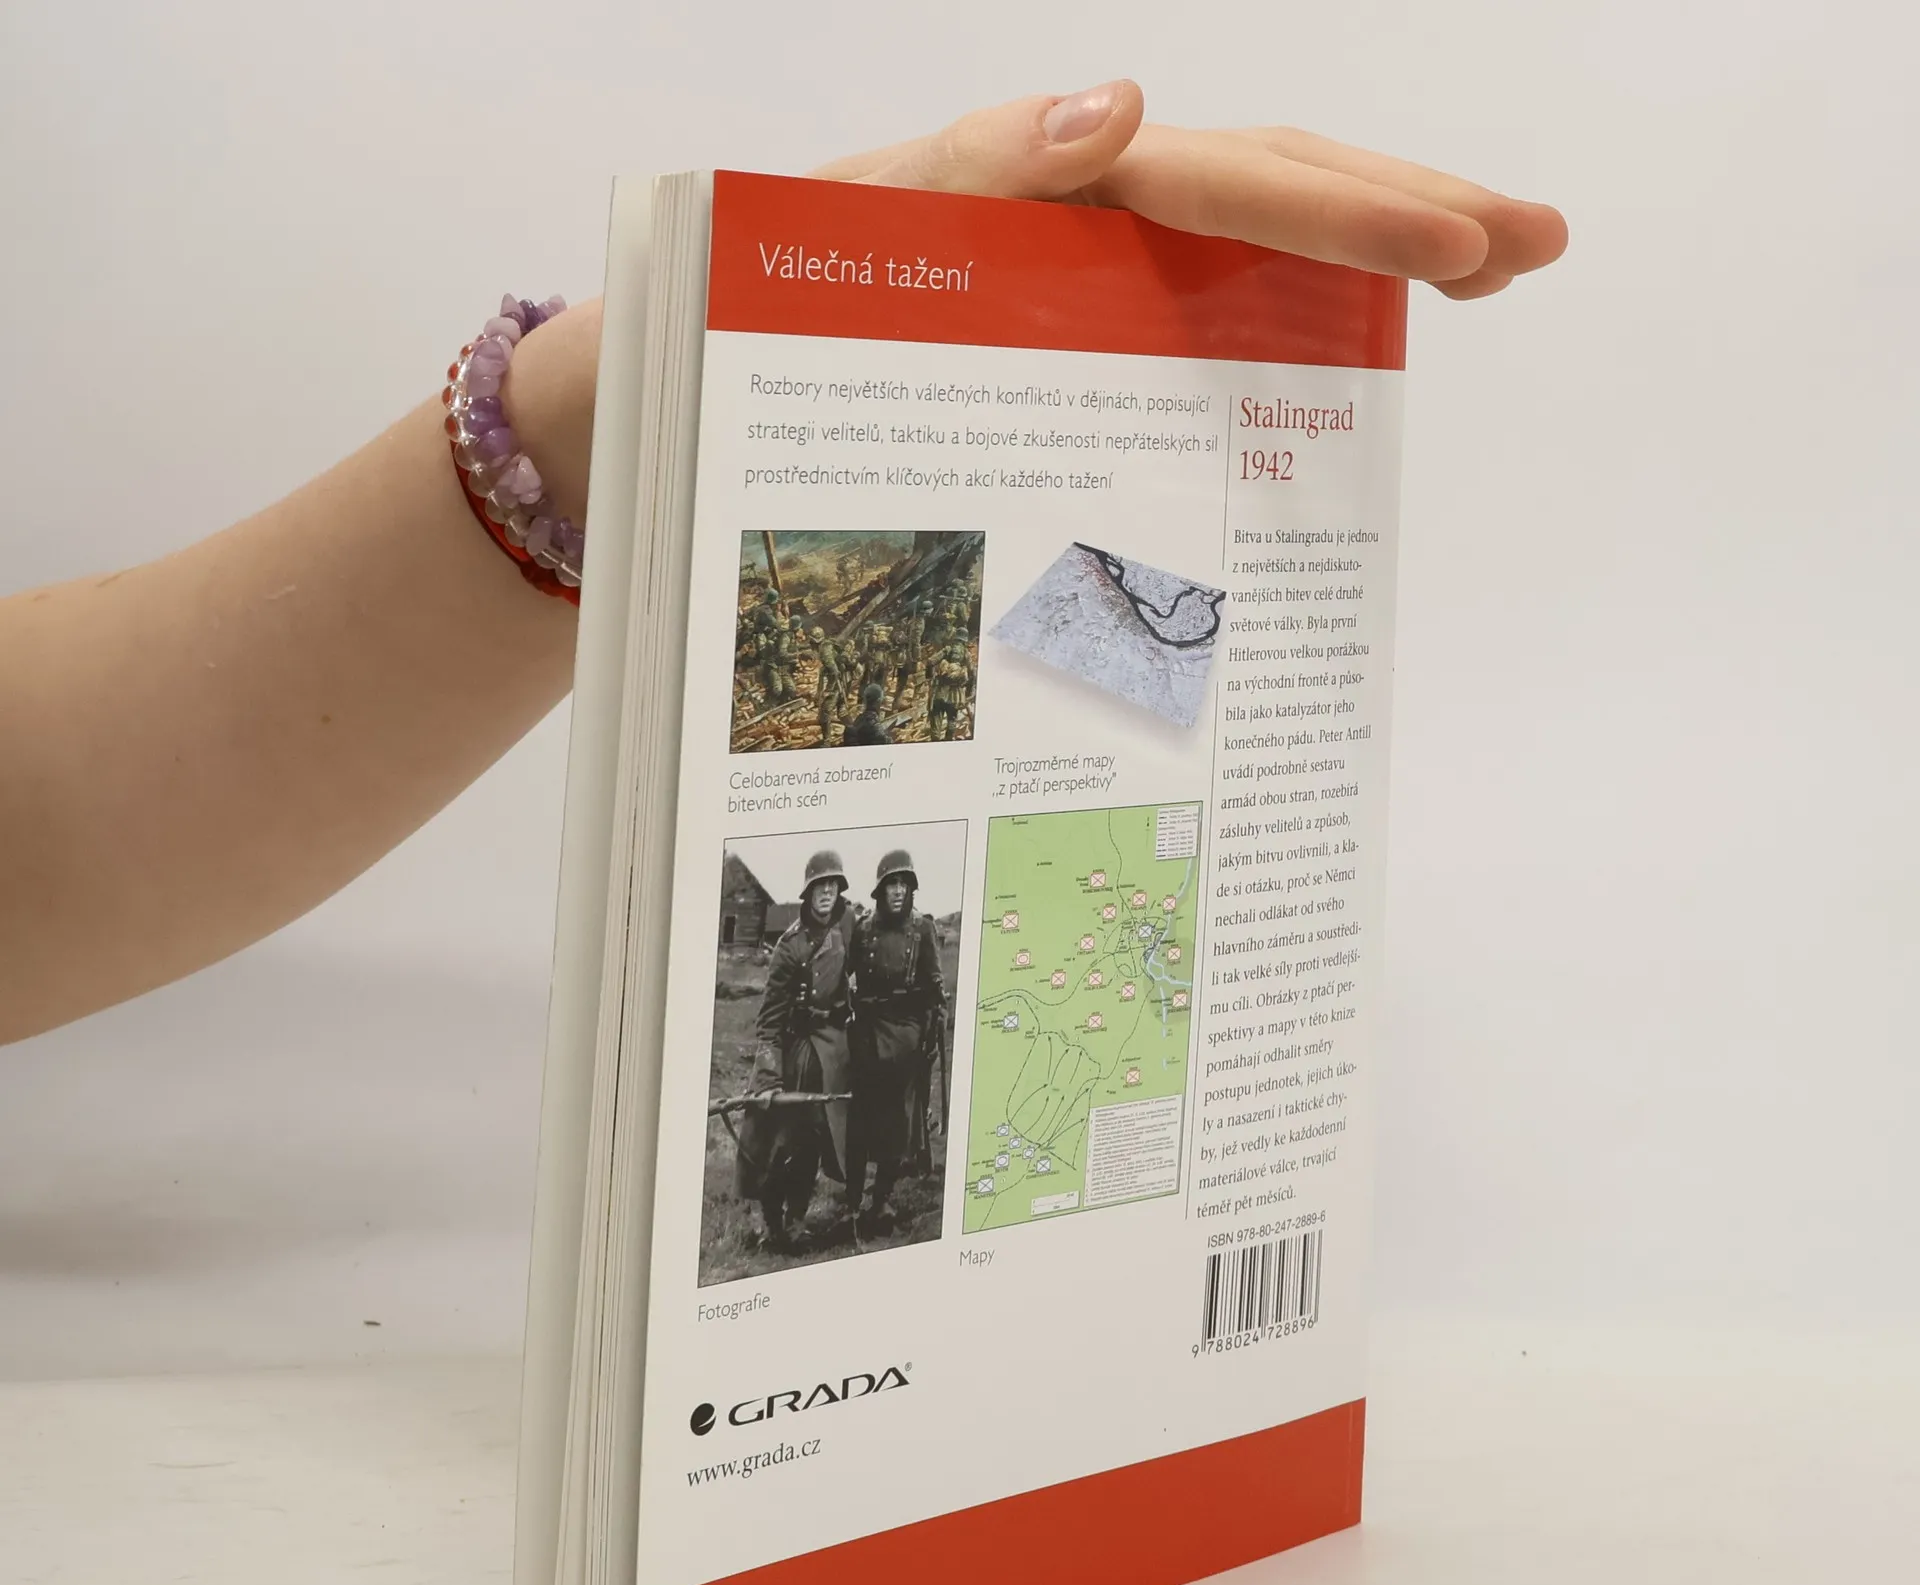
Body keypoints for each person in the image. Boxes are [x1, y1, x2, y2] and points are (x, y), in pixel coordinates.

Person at [0, 84, 1565, 1047]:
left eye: (875, 881)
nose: (874, 889)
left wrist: (612, 406)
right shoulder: (832, 934)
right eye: (867, 880)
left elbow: (43, 833)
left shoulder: (905, 927)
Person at [737, 849, 854, 1252]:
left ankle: (797, 1220)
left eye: (833, 884)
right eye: (820, 885)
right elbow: (769, 1018)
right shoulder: (790, 946)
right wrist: (768, 1077)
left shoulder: (846, 927)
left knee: (813, 1142)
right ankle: (772, 1224)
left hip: (829, 1052)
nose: (827, 892)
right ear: (808, 891)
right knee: (778, 1144)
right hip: (793, 1050)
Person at [847, 850, 948, 1237]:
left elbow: (934, 984)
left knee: (896, 1117)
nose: (899, 891)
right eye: (892, 883)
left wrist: (934, 1026)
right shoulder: (863, 929)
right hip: (868, 1025)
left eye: (905, 884)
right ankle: (853, 1198)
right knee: (858, 1113)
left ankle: (882, 1197)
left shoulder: (922, 929)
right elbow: (846, 973)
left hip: (906, 1029)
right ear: (880, 889)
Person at [841, 683, 894, 748]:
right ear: (879, 701)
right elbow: (886, 742)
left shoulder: (857, 719)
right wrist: (891, 735)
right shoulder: (872, 723)